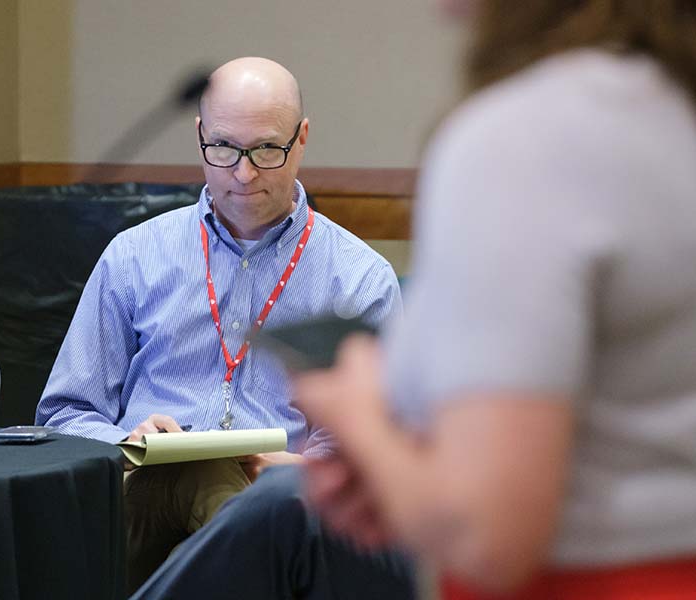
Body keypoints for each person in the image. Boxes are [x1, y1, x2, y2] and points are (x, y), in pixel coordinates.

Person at [131, 1, 696, 599]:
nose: (245, 172)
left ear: (300, 141)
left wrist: (359, 421)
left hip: (583, 580)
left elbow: (486, 537)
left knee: (278, 503)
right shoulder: (669, 111)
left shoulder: (524, 140)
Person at [35, 56, 402, 593]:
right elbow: (64, 412)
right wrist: (127, 440)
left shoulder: (358, 278)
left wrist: (300, 468)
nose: (244, 172)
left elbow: (374, 439)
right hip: (139, 491)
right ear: (200, 136)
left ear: (302, 139)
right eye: (224, 147)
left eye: (267, 150)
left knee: (260, 508)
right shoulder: (135, 256)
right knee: (196, 481)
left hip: (281, 498)